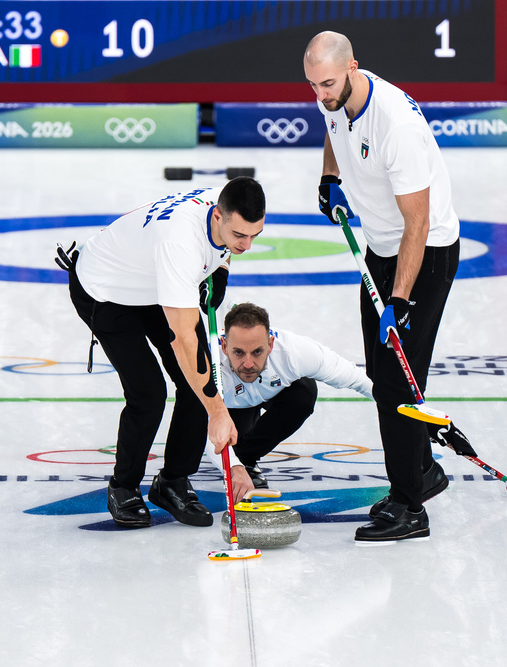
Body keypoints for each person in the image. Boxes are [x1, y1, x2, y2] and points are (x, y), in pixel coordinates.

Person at [303, 32, 461, 542]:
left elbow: (419, 223)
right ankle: (423, 470)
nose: (320, 95)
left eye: (328, 83)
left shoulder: (395, 125)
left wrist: (400, 300)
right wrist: (330, 178)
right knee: (381, 372)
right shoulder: (335, 97)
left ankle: (410, 505)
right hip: (381, 247)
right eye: (312, 85)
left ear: (353, 67)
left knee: (398, 382)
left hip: (425, 255)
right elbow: (333, 126)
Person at [57, 177, 266, 529]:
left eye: (254, 235)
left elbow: (226, 244)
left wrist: (221, 270)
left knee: (196, 383)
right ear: (217, 216)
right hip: (104, 289)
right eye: (238, 236)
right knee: (149, 393)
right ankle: (123, 486)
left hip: (150, 280)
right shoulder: (180, 244)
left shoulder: (225, 198)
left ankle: (172, 482)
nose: (246, 245)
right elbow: (184, 339)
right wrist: (217, 412)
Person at [204, 302, 374, 502]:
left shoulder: (295, 352)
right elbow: (207, 432)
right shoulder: (206, 366)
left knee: (303, 392)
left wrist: (396, 406)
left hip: (270, 393)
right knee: (202, 436)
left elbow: (358, 379)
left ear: (271, 344)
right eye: (239, 352)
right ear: (224, 347)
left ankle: (246, 457)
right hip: (228, 407)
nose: (248, 364)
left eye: (257, 352)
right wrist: (233, 467)